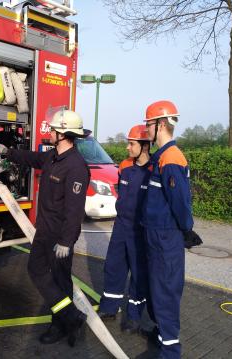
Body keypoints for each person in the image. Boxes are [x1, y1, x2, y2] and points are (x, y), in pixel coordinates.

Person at [0, 109, 90, 347]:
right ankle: (71, 318)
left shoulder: (76, 167)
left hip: (59, 237)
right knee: (44, 274)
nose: (50, 132)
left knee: (57, 279)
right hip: (44, 231)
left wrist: (66, 242)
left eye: (54, 129)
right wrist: (9, 152)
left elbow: (74, 211)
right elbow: (33, 158)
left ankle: (61, 324)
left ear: (64, 134)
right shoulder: (53, 157)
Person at [141, 100, 193, 359]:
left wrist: (186, 229)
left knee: (165, 292)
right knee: (156, 290)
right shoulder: (160, 157)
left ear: (161, 124)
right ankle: (162, 336)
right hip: (156, 234)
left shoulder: (171, 158)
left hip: (166, 236)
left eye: (148, 124)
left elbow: (180, 202)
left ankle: (171, 352)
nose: (146, 129)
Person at [98, 124, 151, 334]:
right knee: (113, 267)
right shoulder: (124, 166)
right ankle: (109, 308)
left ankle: (134, 317)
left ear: (145, 145)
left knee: (139, 274)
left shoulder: (155, 170)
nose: (128, 148)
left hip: (141, 229)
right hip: (121, 226)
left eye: (131, 143)